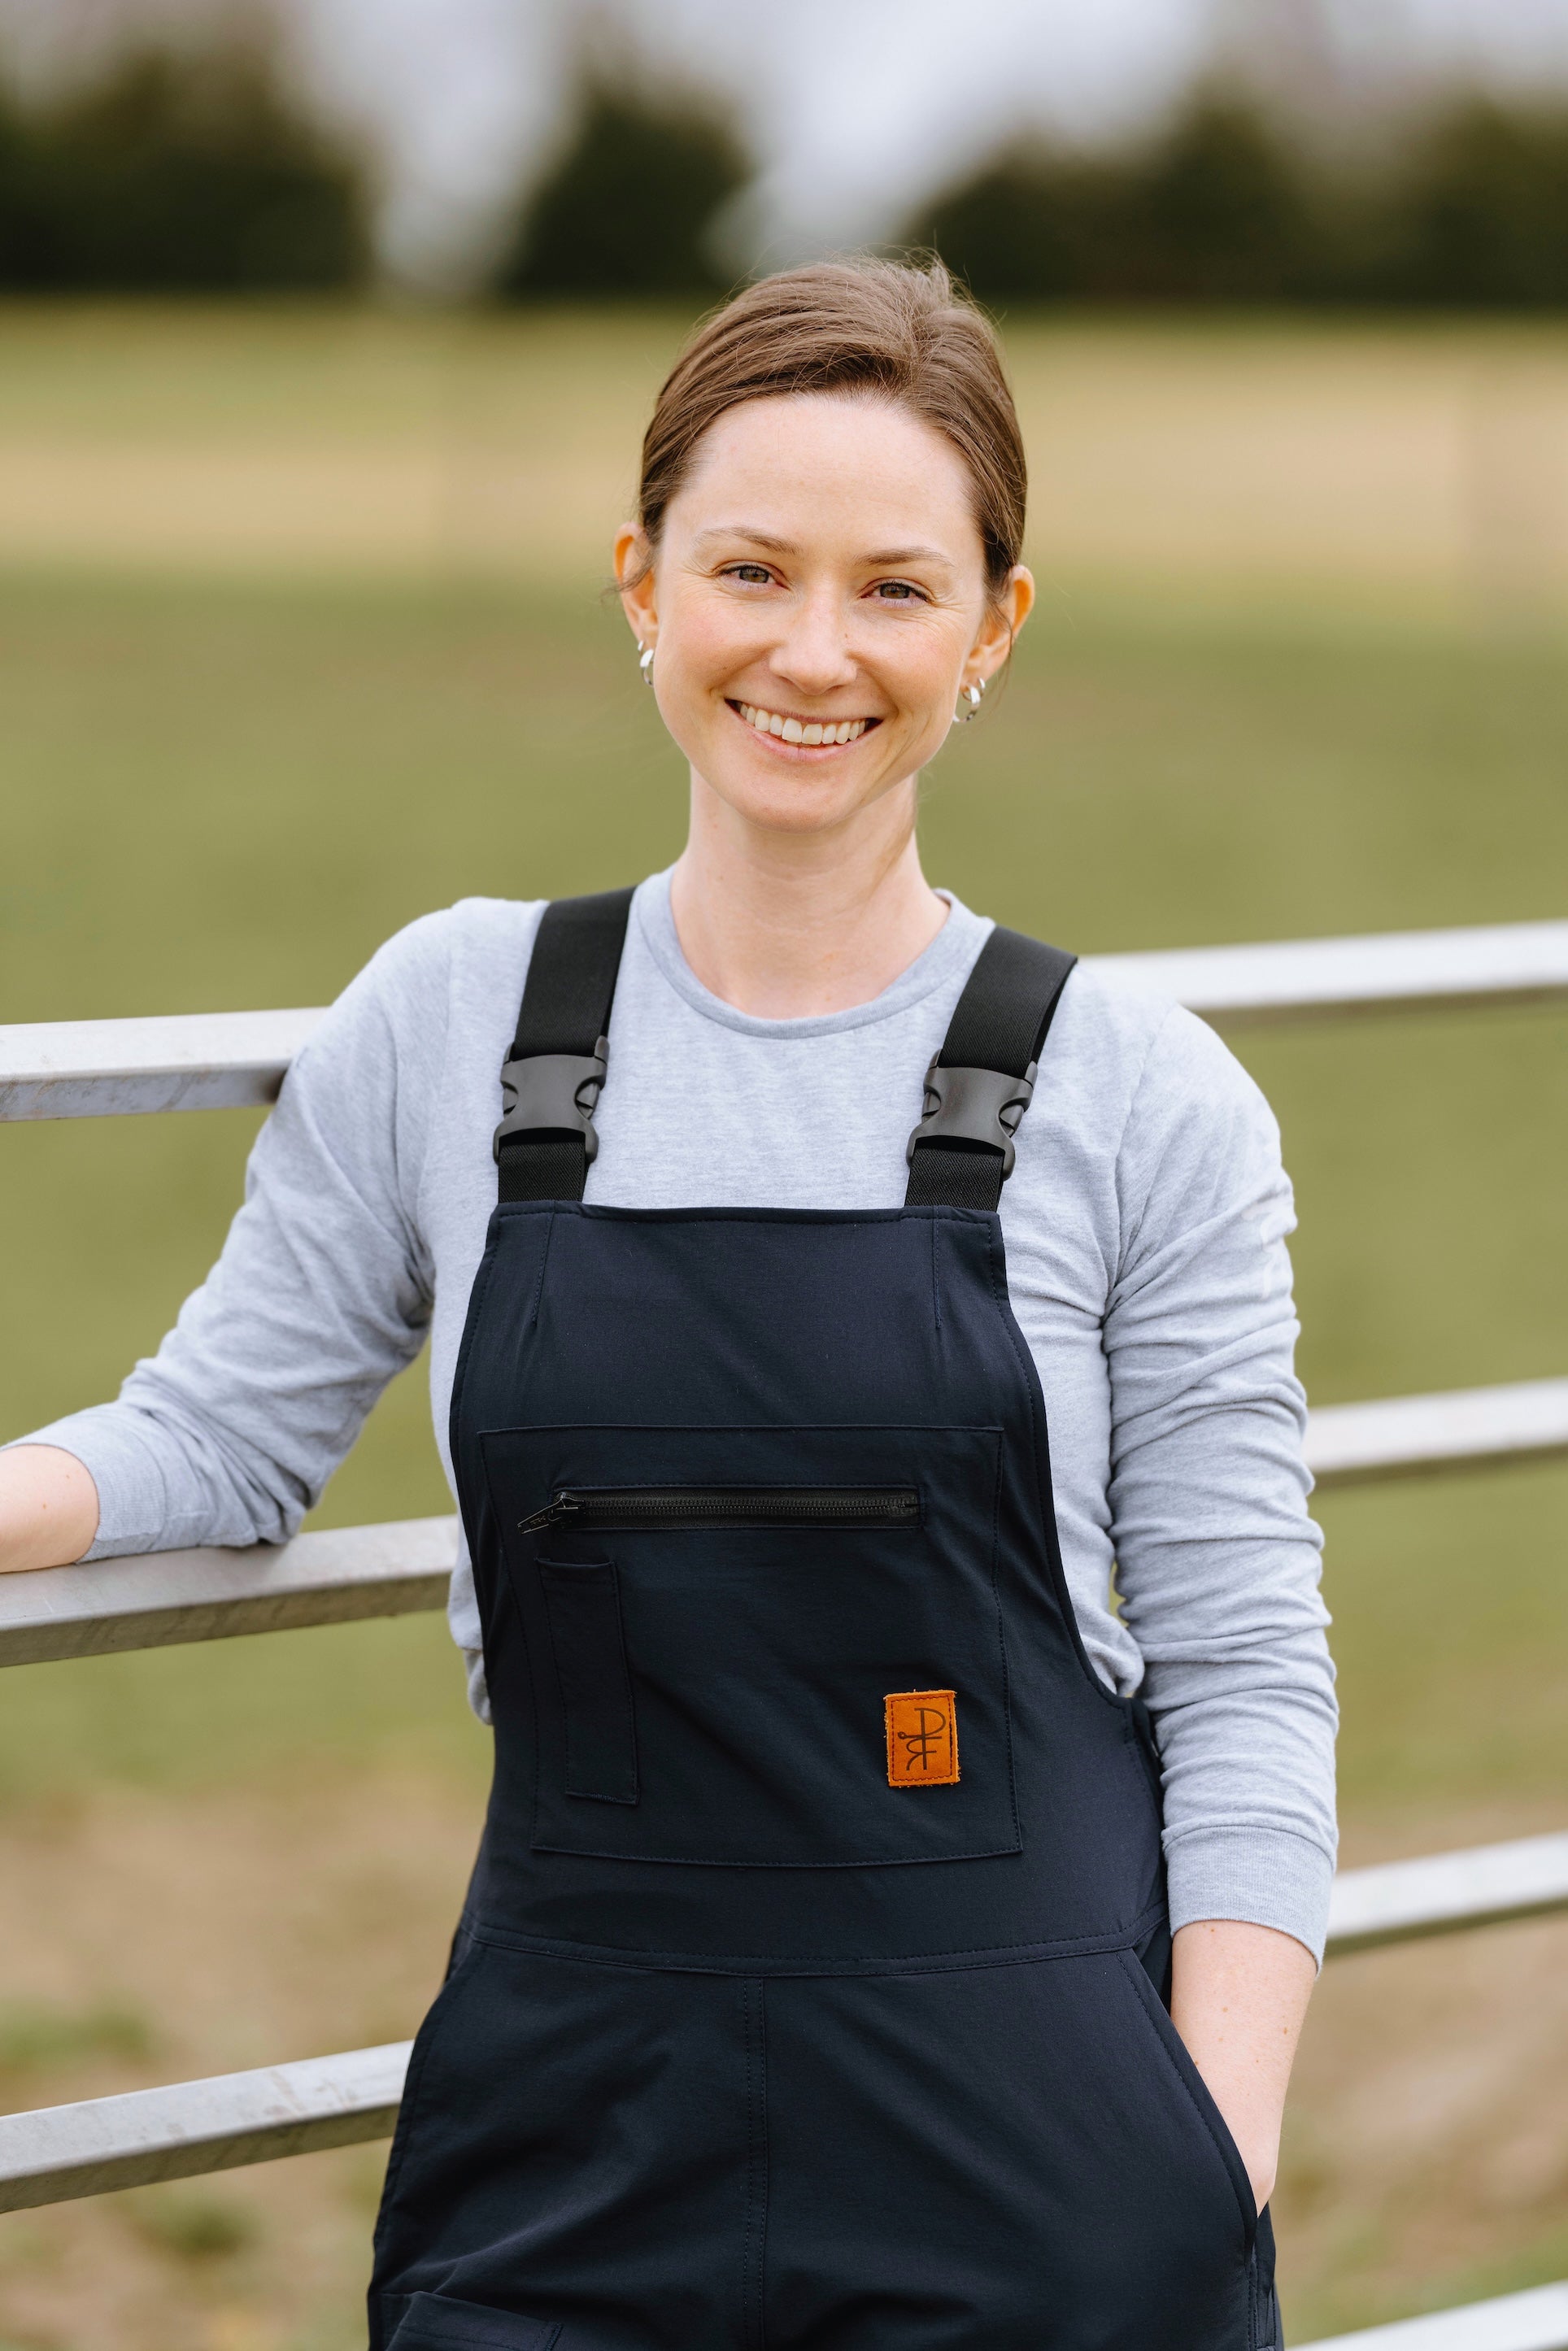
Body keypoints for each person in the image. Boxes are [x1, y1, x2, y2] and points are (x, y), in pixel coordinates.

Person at [0, 259, 1335, 2350]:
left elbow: (1245, 1667)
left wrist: (1201, 2171)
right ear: (642, 583)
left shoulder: (1136, 1092)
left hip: (1038, 2159)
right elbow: (222, 1435)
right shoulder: (455, 1016)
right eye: (750, 570)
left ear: (992, 627)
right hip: (573, 2133)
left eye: (894, 590)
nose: (812, 652)